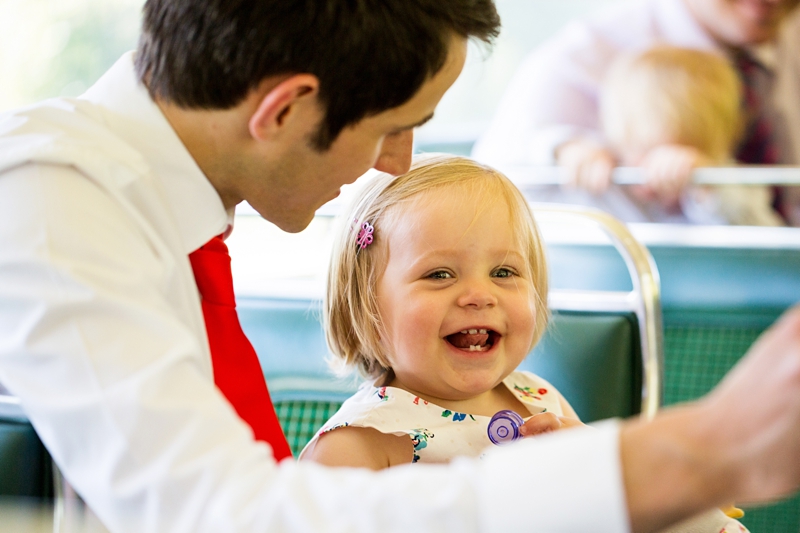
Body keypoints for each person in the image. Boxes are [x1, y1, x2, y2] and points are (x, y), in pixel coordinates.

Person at [0, 0, 799, 532]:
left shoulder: (143, 211)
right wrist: (695, 450)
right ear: (283, 109)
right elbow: (225, 516)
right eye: (394, 126)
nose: (396, 163)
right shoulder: (46, 205)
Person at [300, 154, 747, 533]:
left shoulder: (537, 398)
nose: (480, 294)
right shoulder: (358, 444)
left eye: (504, 272)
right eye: (439, 274)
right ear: (365, 306)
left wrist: (597, 463)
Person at [472, 0, 800, 225]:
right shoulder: (580, 59)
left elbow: (756, 221)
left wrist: (706, 180)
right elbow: (493, 191)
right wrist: (564, 147)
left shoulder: (787, 33)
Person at [596, 45, 783, 225]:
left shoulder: (733, 185)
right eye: (632, 150)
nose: (646, 167)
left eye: (655, 153)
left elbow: (763, 236)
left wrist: (707, 185)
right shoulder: (619, 182)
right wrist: (581, 158)